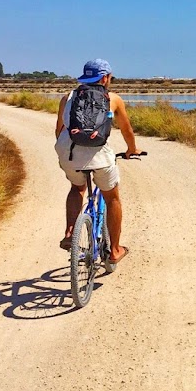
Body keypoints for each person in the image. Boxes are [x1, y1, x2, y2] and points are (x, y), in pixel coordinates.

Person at [55, 59, 141, 265]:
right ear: (104, 78)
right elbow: (127, 131)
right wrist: (132, 149)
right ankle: (114, 250)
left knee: (77, 188)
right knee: (112, 198)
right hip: (99, 155)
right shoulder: (113, 99)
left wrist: (68, 152)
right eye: (110, 77)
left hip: (69, 151)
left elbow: (59, 131)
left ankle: (70, 233)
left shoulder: (68, 97)